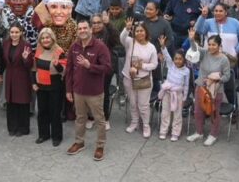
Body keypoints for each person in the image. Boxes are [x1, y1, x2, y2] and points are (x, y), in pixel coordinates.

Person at [65, 19, 112, 161]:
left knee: (99, 120)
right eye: (80, 29)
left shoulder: (100, 47)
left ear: (91, 30)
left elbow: (108, 68)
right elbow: (69, 70)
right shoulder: (74, 46)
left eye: (85, 28)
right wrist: (68, 90)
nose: (82, 31)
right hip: (78, 91)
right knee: (80, 118)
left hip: (95, 92)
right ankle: (79, 142)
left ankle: (100, 146)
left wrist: (89, 65)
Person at [120, 19, 159, 138]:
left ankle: (146, 125)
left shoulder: (151, 47)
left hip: (144, 79)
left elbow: (154, 64)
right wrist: (127, 28)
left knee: (143, 105)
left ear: (146, 32)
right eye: (137, 31)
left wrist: (142, 66)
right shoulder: (130, 42)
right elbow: (122, 38)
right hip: (129, 78)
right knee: (132, 103)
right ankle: (134, 122)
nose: (139, 33)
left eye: (142, 31)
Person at [32, 26, 67, 146]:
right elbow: (34, 68)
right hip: (41, 87)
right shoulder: (39, 50)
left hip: (55, 87)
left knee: (55, 112)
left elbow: (63, 71)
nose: (45, 40)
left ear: (52, 38)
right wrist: (33, 83)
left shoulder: (59, 51)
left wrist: (57, 65)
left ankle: (57, 137)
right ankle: (43, 134)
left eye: (47, 37)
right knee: (42, 112)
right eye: (43, 38)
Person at [2, 23, 33, 136]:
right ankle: (12, 127)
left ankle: (23, 128)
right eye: (12, 32)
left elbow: (29, 65)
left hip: (22, 77)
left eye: (16, 32)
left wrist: (25, 59)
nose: (14, 34)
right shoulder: (5, 44)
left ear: (21, 33)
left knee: (22, 103)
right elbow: (3, 61)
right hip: (9, 76)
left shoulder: (26, 45)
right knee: (11, 103)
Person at [158, 48, 190, 141]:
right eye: (176, 58)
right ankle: (163, 130)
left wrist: (184, 98)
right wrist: (163, 47)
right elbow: (167, 56)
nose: (178, 61)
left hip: (178, 95)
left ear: (184, 60)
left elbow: (186, 85)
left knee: (177, 114)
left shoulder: (186, 71)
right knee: (165, 113)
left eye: (180, 59)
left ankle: (175, 132)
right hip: (167, 94)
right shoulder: (171, 65)